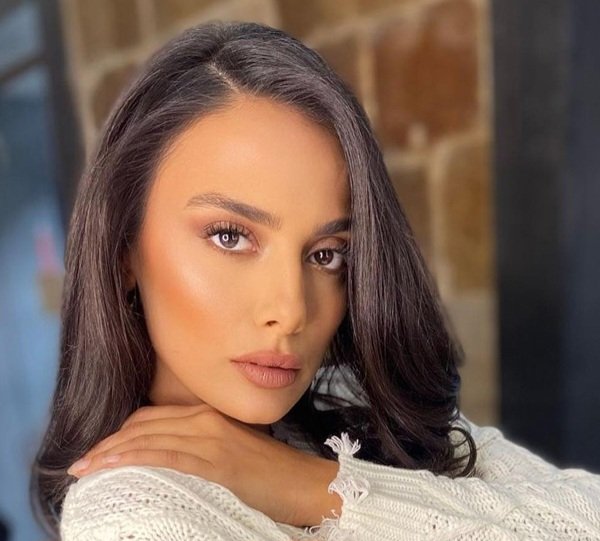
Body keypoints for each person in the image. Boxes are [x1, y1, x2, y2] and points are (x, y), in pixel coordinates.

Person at [30, 20, 600, 541]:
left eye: (326, 254)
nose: (291, 310)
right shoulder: (132, 517)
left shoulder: (348, 406)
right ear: (124, 252)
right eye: (230, 236)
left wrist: (313, 486)